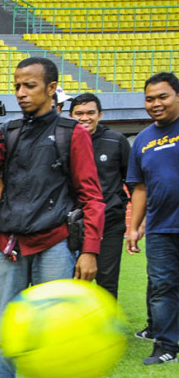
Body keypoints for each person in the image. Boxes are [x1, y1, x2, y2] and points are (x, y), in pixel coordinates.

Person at [0, 57, 104, 378]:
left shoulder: (71, 133)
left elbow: (92, 197)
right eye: (17, 86)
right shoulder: (7, 132)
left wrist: (89, 250)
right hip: (9, 244)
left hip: (54, 243)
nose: (21, 93)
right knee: (2, 333)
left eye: (30, 86)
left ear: (52, 88)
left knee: (55, 331)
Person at [126, 72, 179, 366]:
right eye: (149, 98)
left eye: (163, 97)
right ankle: (165, 346)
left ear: (177, 96)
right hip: (161, 227)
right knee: (162, 286)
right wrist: (133, 227)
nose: (155, 103)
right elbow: (140, 187)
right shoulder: (143, 139)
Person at [69, 93, 131, 299]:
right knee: (72, 280)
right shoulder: (63, 141)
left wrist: (118, 206)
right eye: (79, 113)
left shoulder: (116, 141)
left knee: (107, 280)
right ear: (71, 115)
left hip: (109, 223)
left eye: (90, 113)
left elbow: (130, 179)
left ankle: (107, 329)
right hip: (72, 224)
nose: (84, 118)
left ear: (100, 115)